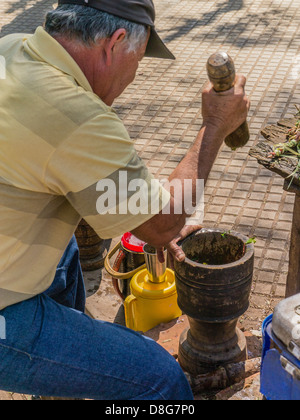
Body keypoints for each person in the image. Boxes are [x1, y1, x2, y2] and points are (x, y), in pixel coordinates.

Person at [0, 0, 249, 400]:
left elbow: (81, 164)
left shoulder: (12, 49)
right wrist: (215, 125)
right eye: (139, 59)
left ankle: (62, 382)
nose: (135, 75)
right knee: (157, 377)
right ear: (116, 42)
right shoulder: (74, 115)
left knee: (65, 252)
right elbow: (163, 224)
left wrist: (143, 212)